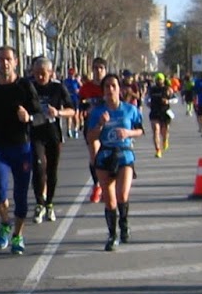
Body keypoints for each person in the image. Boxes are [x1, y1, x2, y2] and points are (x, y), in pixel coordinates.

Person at [0, 45, 39, 255]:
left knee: (21, 197)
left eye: (9, 59)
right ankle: (6, 222)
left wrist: (28, 117)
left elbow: (38, 113)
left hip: (21, 147)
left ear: (16, 62)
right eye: (1, 59)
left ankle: (18, 235)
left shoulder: (24, 86)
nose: (5, 63)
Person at [85, 73, 144, 250]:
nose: (110, 90)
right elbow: (90, 137)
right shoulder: (97, 112)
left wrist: (128, 133)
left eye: (113, 86)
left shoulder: (129, 110)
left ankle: (124, 225)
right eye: (107, 87)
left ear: (119, 89)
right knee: (109, 201)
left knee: (122, 195)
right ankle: (112, 235)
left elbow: (140, 130)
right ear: (102, 91)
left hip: (124, 155)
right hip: (105, 156)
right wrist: (100, 125)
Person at [28, 56, 76, 222]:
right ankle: (39, 203)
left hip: (53, 133)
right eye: (36, 73)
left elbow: (72, 110)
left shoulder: (58, 88)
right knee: (39, 167)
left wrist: (58, 113)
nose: (40, 77)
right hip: (35, 133)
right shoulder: (29, 86)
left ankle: (49, 203)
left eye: (43, 74)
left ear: (50, 73)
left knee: (52, 171)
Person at [77, 56, 109, 202]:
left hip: (109, 127)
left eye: (101, 68)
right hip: (92, 126)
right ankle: (97, 185)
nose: (98, 71)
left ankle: (107, 184)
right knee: (94, 156)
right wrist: (83, 111)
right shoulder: (86, 88)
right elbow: (80, 105)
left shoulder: (110, 86)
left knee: (109, 156)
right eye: (95, 68)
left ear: (105, 70)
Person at [146, 71, 174, 158]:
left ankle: (165, 140)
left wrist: (168, 101)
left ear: (163, 80)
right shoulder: (152, 89)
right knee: (156, 131)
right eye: (157, 79)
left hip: (165, 112)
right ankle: (158, 150)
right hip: (154, 112)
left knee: (164, 131)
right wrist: (148, 103)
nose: (159, 81)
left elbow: (175, 99)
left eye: (160, 79)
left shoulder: (167, 89)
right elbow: (146, 98)